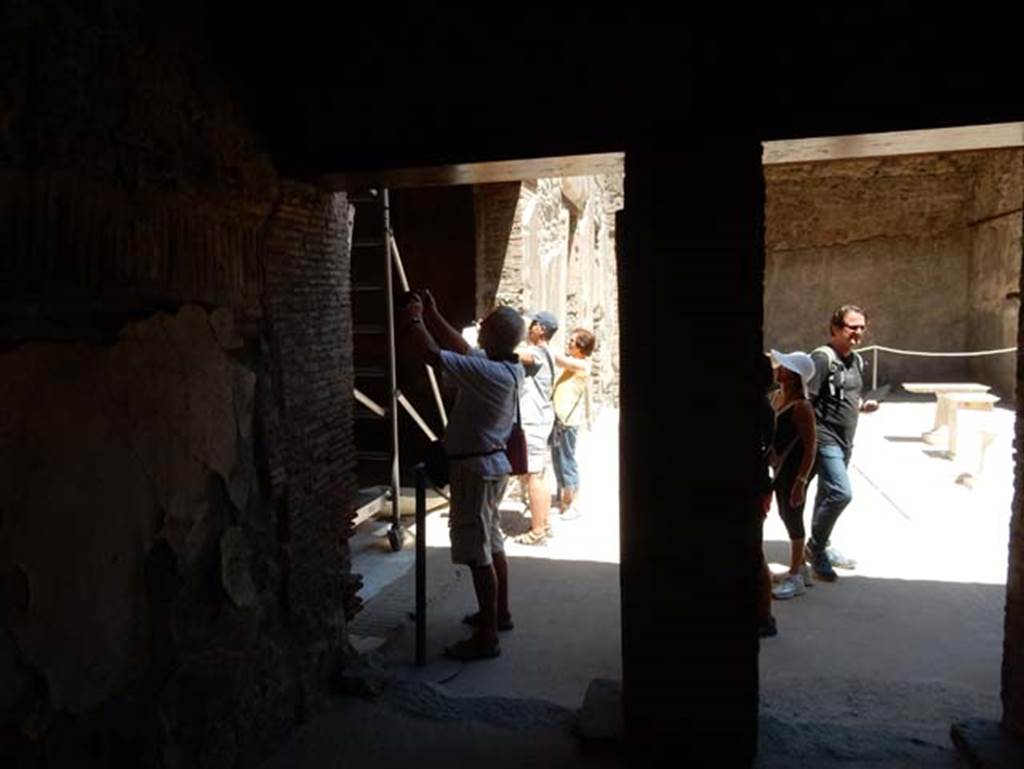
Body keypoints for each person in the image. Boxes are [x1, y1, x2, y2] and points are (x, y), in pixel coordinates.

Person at [400, 290, 525, 660]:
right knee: (493, 543)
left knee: (476, 553)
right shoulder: (506, 365)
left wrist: (414, 317)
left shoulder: (489, 373)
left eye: (485, 323)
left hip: (475, 470)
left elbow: (431, 355)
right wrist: (436, 315)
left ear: (494, 336)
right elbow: (465, 351)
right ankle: (498, 614)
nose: (479, 325)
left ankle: (487, 637)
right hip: (488, 468)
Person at [805, 304, 879, 582]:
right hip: (825, 437)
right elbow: (807, 401)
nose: (858, 332)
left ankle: (822, 543)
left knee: (827, 493)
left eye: (862, 327)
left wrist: (863, 405)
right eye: (852, 327)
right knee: (840, 493)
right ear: (835, 328)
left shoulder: (857, 360)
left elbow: (848, 395)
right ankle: (815, 547)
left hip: (847, 439)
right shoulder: (822, 358)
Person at [768, 350, 818, 600]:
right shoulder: (777, 397)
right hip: (779, 468)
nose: (779, 369)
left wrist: (801, 481)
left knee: (792, 516)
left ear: (795, 376)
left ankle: (796, 576)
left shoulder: (802, 407)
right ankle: (801, 568)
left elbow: (811, 447)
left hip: (794, 470)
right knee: (783, 513)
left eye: (785, 368)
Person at [513, 310, 559, 545]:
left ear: (541, 329)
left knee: (533, 476)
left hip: (534, 420)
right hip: (541, 419)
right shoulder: (548, 352)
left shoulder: (537, 353)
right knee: (539, 474)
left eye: (532, 324)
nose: (529, 327)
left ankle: (537, 531)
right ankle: (545, 522)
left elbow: (511, 353)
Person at [550, 328, 596, 520]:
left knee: (567, 461)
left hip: (568, 420)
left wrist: (543, 344)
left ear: (581, 348)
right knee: (557, 460)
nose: (568, 344)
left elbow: (559, 359)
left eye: (572, 341)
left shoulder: (582, 365)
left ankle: (574, 504)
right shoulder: (575, 363)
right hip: (559, 418)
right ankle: (563, 500)